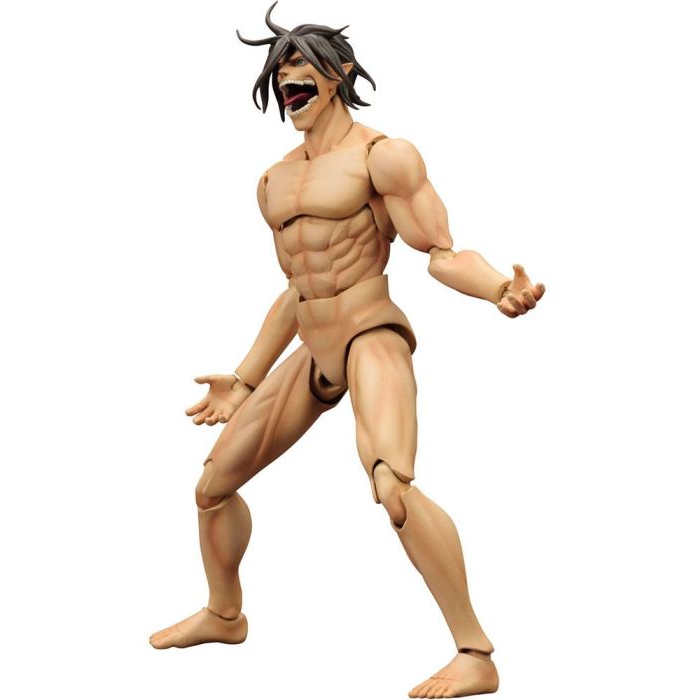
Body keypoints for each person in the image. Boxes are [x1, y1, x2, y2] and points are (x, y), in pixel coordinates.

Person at [150, 5, 545, 697]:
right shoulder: (273, 182)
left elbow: (439, 252)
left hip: (369, 333)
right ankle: (224, 613)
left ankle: (474, 652)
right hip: (313, 346)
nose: (288, 80)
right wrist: (245, 378)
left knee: (392, 484)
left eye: (300, 66)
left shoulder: (382, 156)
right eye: (279, 71)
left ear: (339, 75)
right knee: (211, 489)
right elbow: (297, 290)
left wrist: (495, 291)